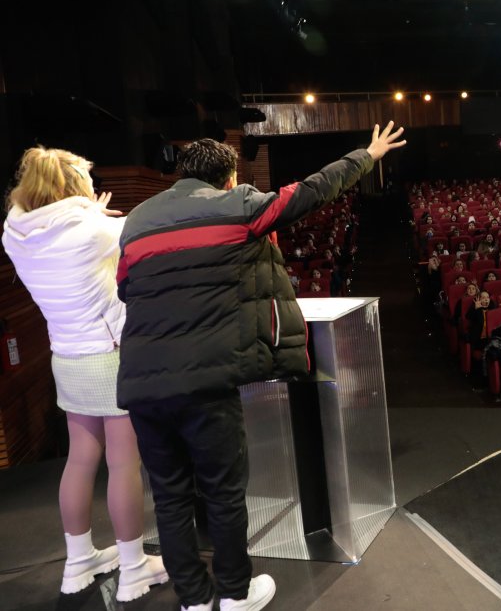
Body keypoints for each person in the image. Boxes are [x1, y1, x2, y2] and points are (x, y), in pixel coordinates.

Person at [116, 122, 406, 611]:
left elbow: (125, 286)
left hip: (142, 383)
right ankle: (234, 593)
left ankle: (192, 599)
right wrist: (367, 155)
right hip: (205, 380)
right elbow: (310, 191)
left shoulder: (137, 220)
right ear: (228, 178)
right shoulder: (237, 206)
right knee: (223, 492)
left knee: (169, 497)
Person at [2, 147, 169, 601]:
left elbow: (63, 231)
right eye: (87, 182)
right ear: (73, 186)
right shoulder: (97, 229)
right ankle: (134, 567)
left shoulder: (13, 234)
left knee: (80, 458)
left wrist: (88, 213)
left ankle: (78, 562)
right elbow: (140, 231)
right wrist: (94, 215)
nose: (95, 189)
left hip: (66, 357)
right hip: (109, 356)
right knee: (122, 462)